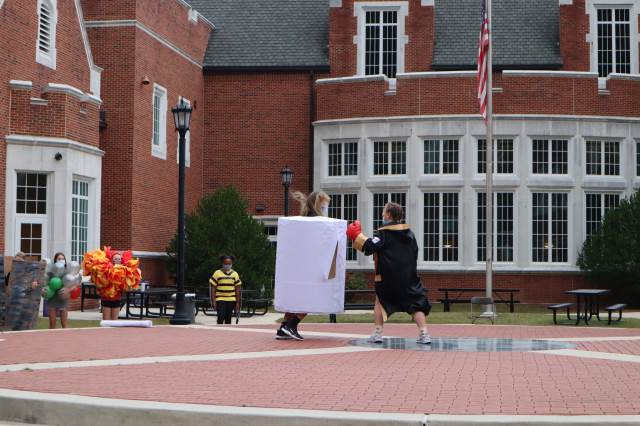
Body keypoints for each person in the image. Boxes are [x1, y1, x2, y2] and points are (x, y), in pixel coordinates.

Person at [347, 202, 432, 344]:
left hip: (387, 277)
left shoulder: (383, 233)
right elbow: (415, 253)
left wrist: (357, 235)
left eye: (383, 212)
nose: (382, 214)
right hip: (408, 278)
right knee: (415, 304)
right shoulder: (410, 234)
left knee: (380, 301)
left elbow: (371, 247)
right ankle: (424, 334)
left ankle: (377, 334)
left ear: (388, 215)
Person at [276, 190, 331, 341]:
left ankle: (284, 327)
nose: (326, 208)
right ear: (319, 205)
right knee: (310, 298)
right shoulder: (318, 224)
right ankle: (291, 325)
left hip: (297, 267)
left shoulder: (302, 222)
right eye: (325, 205)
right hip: (311, 267)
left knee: (294, 298)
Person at [45, 252, 79, 329]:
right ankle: (51, 336)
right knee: (52, 323)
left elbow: (75, 285)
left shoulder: (67, 271)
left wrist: (68, 290)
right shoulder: (51, 271)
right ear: (55, 260)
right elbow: (45, 282)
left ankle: (65, 336)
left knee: (64, 324)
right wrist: (44, 289)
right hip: (52, 297)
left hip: (63, 297)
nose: (61, 260)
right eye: (59, 259)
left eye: (63, 259)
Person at [209, 255, 241, 325]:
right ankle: (219, 328)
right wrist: (213, 301)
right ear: (222, 263)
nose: (227, 265)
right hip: (220, 299)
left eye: (229, 264)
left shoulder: (235, 274)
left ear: (232, 264)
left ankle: (227, 330)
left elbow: (237, 289)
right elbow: (213, 288)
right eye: (226, 263)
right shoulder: (217, 273)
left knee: (228, 318)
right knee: (220, 316)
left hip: (231, 299)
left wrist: (238, 303)